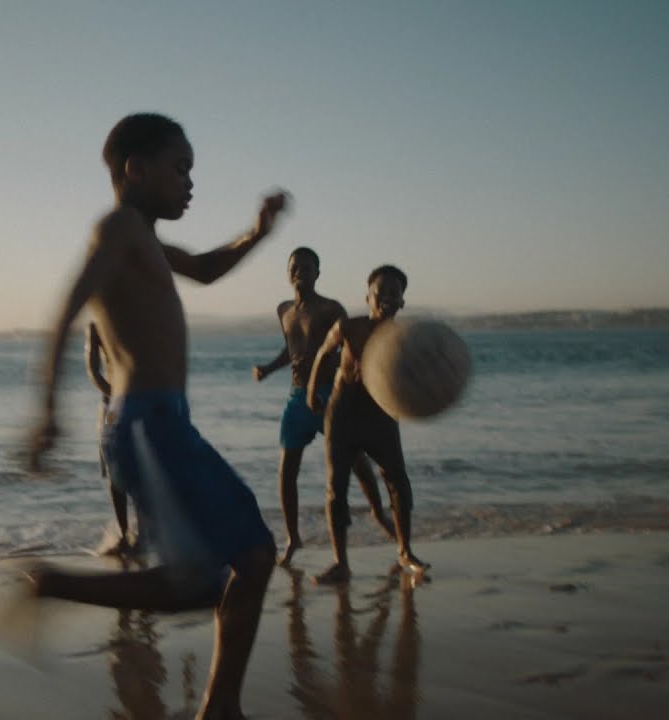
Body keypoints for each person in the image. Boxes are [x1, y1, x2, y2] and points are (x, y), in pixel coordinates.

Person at [26, 113, 282, 720]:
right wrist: (48, 410)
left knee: (252, 557)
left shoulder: (145, 239)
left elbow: (206, 269)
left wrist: (257, 232)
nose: (190, 183)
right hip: (145, 422)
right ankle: (52, 584)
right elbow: (66, 311)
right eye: (180, 168)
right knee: (206, 578)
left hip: (164, 421)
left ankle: (222, 708)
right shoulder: (117, 228)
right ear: (136, 169)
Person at [252, 247, 394, 566]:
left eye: (306, 267)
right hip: (297, 397)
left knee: (355, 460)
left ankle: (378, 513)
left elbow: (351, 344)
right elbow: (291, 349)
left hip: (331, 394)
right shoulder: (284, 310)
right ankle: (293, 538)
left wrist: (348, 374)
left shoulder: (331, 308)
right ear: (287, 273)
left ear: (317, 273)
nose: (299, 272)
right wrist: (268, 369)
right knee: (286, 470)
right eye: (294, 267)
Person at [306, 265, 429, 584]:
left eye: (394, 293)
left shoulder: (402, 339)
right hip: (343, 412)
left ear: (402, 302)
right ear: (367, 297)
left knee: (398, 481)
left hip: (381, 414)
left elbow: (415, 377)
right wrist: (312, 391)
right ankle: (341, 563)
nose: (386, 298)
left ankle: (405, 551)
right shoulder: (349, 327)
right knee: (336, 488)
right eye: (380, 292)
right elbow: (323, 354)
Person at [86, 321, 139, 557]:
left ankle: (143, 534)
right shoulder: (97, 324)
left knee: (140, 470)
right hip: (112, 405)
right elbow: (93, 372)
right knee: (114, 472)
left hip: (140, 401)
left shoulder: (138, 318)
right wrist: (117, 395)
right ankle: (124, 533)